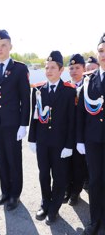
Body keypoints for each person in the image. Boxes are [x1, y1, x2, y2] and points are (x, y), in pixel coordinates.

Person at [0, 30, 30, 210]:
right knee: (1, 158)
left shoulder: (19, 69)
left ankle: (15, 194)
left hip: (12, 123)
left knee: (13, 160)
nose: (0, 48)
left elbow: (26, 98)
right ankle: (5, 191)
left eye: (3, 45)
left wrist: (23, 124)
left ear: (10, 46)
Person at [28, 51, 76, 225]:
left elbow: (72, 121)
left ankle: (54, 207)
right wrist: (32, 138)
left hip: (60, 144)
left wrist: (69, 145)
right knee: (43, 175)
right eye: (46, 67)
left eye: (52, 68)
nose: (48, 70)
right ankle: (45, 202)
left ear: (61, 70)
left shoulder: (70, 92)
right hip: (42, 142)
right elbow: (34, 116)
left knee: (59, 176)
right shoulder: (39, 90)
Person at [77, 33, 105, 235]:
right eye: (102, 51)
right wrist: (80, 140)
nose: (104, 55)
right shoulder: (88, 80)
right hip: (94, 139)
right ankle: (95, 220)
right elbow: (81, 115)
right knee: (95, 180)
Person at [62, 54, 88, 206]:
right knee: (65, 164)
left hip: (81, 134)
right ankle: (67, 189)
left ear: (84, 69)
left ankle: (75, 192)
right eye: (71, 68)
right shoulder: (65, 87)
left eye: (77, 68)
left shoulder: (88, 86)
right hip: (66, 134)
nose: (74, 71)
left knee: (78, 165)